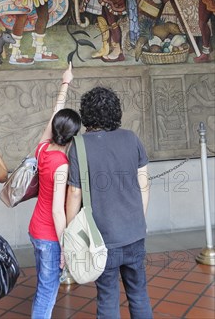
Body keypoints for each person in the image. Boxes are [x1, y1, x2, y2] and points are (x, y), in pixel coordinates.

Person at [66, 87, 152, 319]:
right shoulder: (131, 138)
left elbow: (74, 193)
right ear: (116, 111)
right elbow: (144, 185)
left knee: (107, 297)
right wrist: (138, 221)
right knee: (139, 293)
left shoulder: (79, 145)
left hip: (102, 239)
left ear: (86, 114)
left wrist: (70, 234)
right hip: (135, 233)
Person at [29, 64, 81, 318]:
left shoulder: (41, 149)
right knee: (47, 293)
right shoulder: (62, 165)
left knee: (43, 286)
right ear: (73, 137)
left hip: (35, 230)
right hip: (50, 236)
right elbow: (57, 212)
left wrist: (65, 83)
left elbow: (55, 114)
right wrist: (64, 248)